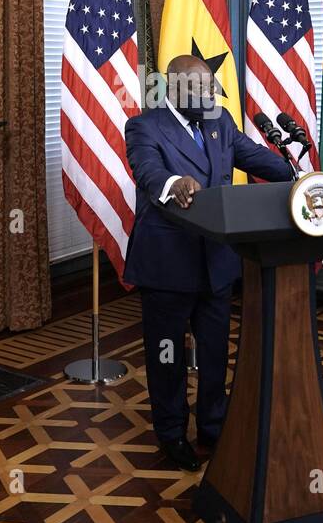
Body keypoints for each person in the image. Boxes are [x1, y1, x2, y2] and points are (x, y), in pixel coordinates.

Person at [123, 54, 294, 471]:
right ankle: (172, 434)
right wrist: (173, 183)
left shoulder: (220, 122)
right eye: (200, 88)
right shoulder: (146, 126)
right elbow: (146, 171)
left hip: (216, 261)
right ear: (175, 89)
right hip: (167, 262)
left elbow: (255, 157)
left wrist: (299, 174)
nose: (210, 94)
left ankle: (213, 427)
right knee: (168, 356)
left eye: (211, 87)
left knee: (215, 352)